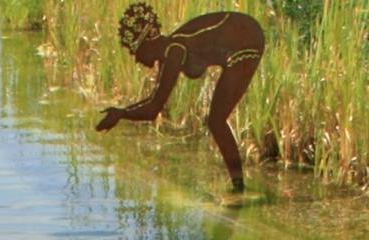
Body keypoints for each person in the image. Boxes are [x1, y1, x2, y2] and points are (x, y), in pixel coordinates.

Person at [95, 4, 264, 192]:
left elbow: (153, 109)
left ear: (148, 42)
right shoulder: (171, 51)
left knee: (216, 121)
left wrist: (120, 114)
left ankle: (239, 187)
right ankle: (238, 184)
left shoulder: (175, 49)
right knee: (216, 121)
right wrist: (122, 113)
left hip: (246, 39)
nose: (137, 58)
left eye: (136, 50)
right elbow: (153, 100)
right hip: (245, 34)